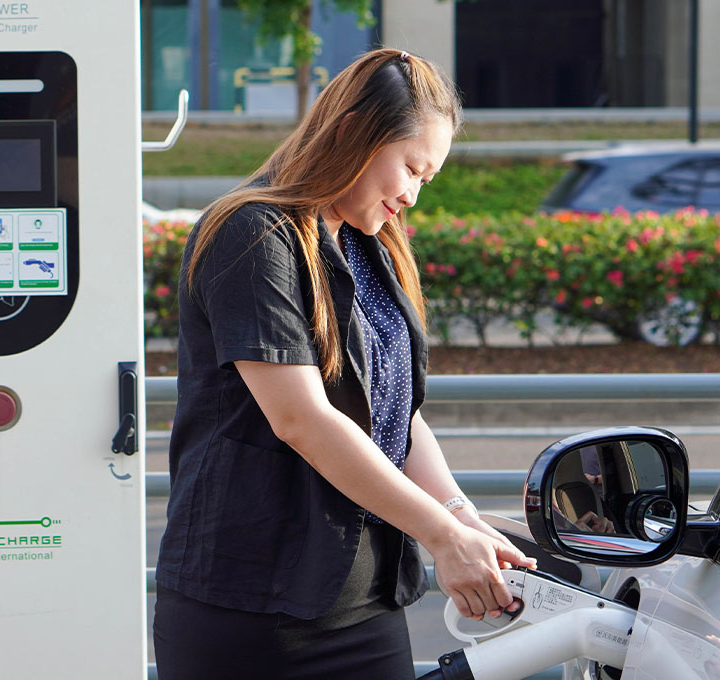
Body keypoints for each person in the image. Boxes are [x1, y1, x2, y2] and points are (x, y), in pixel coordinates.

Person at [153, 48, 536, 680]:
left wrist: (462, 519)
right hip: (246, 607)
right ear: (355, 134)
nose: (412, 195)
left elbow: (395, 412)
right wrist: (442, 537)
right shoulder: (253, 233)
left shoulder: (367, 243)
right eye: (411, 167)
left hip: (361, 603)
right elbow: (300, 418)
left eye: (427, 179)